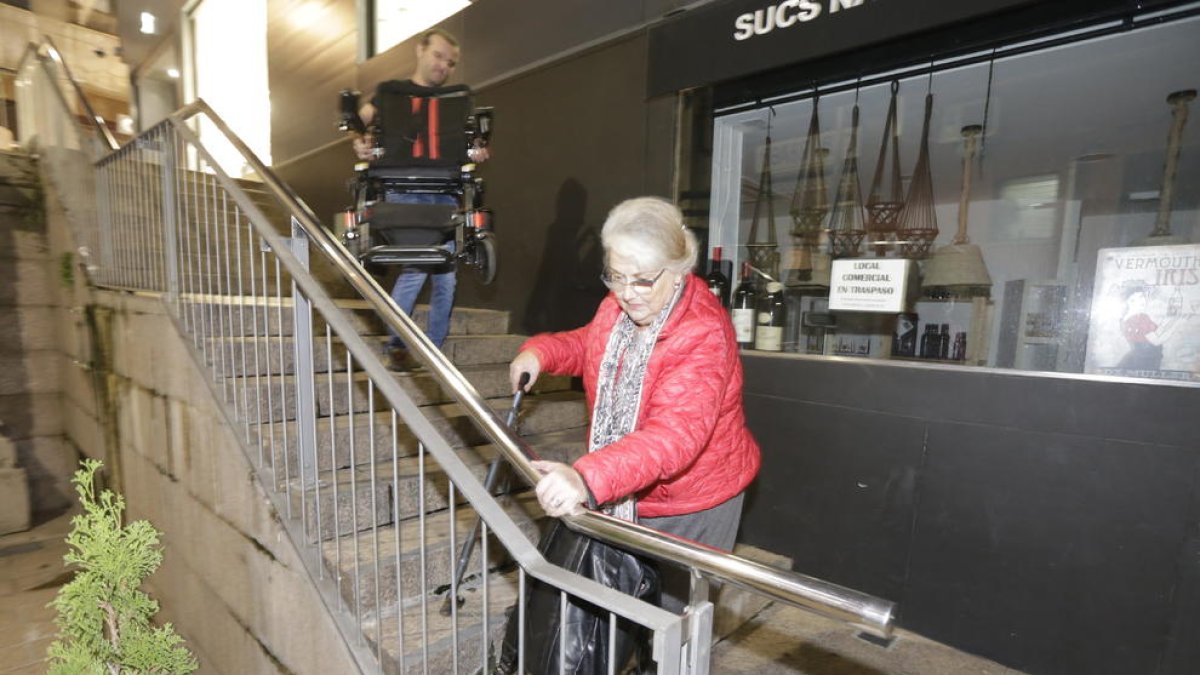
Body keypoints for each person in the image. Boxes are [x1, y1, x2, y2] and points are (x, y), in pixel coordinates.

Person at [508, 196, 762, 615]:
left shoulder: (703, 332)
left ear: (679, 270)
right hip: (631, 486)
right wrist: (541, 353)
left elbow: (673, 438)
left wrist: (587, 478)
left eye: (642, 280)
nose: (627, 293)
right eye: (616, 276)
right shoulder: (618, 306)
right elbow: (591, 344)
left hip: (692, 503)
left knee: (670, 619)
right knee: (628, 615)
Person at [351, 28, 488, 370]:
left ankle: (431, 351)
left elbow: (472, 144)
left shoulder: (456, 100)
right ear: (420, 50)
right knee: (416, 269)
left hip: (444, 192)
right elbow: (359, 119)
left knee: (446, 276)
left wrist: (479, 149)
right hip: (402, 189)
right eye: (439, 56)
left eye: (451, 62)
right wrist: (358, 138)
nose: (444, 65)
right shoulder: (390, 94)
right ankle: (399, 344)